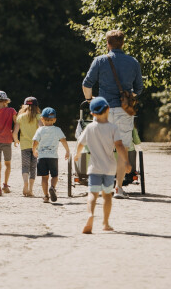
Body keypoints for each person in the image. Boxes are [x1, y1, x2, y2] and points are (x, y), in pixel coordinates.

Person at [82, 29, 143, 199]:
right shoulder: (133, 62)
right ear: (122, 43)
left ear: (108, 44)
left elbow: (86, 84)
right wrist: (128, 98)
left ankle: (102, 185)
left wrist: (89, 101)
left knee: (101, 147)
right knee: (121, 147)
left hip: (103, 110)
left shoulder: (100, 60)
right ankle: (119, 188)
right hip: (124, 111)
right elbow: (139, 88)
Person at [74, 97, 131, 234]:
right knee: (107, 196)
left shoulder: (89, 128)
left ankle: (90, 215)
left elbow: (81, 143)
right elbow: (119, 145)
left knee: (92, 193)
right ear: (108, 109)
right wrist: (126, 161)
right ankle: (105, 223)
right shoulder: (113, 128)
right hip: (109, 168)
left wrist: (77, 154)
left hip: (94, 168)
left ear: (92, 114)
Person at [32, 107, 70, 203]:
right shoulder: (57, 129)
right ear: (55, 120)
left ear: (42, 119)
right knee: (54, 176)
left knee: (44, 177)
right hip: (53, 157)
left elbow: (35, 142)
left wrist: (34, 150)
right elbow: (63, 140)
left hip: (42, 157)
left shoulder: (40, 130)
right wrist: (67, 151)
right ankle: (52, 187)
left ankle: (45, 196)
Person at [13, 97, 41, 197]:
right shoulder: (38, 116)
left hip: (24, 145)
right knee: (33, 168)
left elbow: (15, 132)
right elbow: (41, 129)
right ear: (36, 106)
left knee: (25, 166)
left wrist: (16, 140)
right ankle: (30, 189)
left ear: (24, 105)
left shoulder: (20, 117)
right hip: (36, 146)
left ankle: (25, 183)